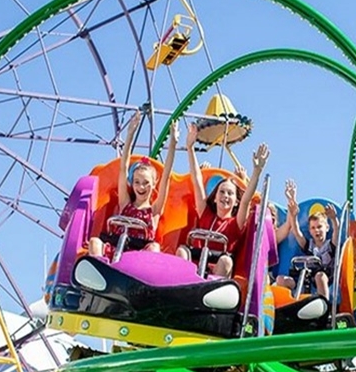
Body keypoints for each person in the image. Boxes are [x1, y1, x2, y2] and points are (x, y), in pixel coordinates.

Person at [177, 123, 269, 277]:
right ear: (214, 198)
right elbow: (197, 180)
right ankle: (181, 283)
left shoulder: (235, 223)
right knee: (181, 250)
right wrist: (190, 148)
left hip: (220, 266)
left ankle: (211, 289)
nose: (225, 196)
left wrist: (256, 171)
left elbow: (246, 200)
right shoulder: (206, 214)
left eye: (230, 194)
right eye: (222, 192)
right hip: (200, 262)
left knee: (226, 262)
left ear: (236, 202)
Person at [88, 111, 179, 259]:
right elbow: (123, 167)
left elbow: (167, 175)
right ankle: (101, 271)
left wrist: (173, 144)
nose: (141, 187)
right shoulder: (125, 203)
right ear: (132, 183)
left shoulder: (154, 210)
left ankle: (144, 276)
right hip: (117, 248)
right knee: (94, 242)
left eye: (146, 183)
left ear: (154, 184)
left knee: (155, 247)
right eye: (137, 182)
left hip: (139, 255)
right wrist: (130, 134)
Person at [276, 182, 338, 299]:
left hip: (324, 279)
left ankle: (323, 304)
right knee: (280, 279)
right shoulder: (309, 245)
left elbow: (337, 232)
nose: (317, 231)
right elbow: (296, 231)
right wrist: (293, 214)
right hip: (305, 280)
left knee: (320, 276)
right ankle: (285, 306)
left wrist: (334, 219)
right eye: (313, 228)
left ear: (327, 228)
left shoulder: (331, 245)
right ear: (310, 231)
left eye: (319, 227)